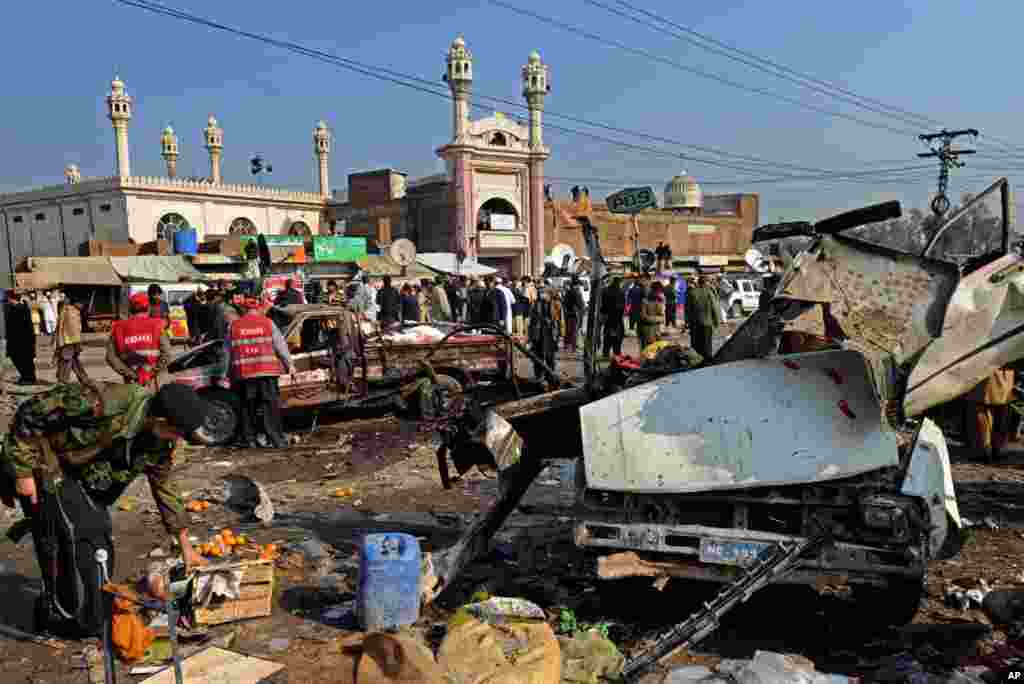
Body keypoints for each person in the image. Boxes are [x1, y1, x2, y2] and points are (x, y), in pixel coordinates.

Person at [0, 382, 214, 637]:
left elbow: (164, 486)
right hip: (47, 463)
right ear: (159, 419)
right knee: (67, 541)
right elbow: (30, 413)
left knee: (97, 548)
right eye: (176, 433)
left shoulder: (159, 440)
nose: (177, 440)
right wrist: (22, 471)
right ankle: (58, 615)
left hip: (84, 479)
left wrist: (185, 545)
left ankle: (85, 612)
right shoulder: (104, 401)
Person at [228, 297, 295, 449]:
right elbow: (280, 346)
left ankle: (250, 440)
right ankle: (276, 440)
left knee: (247, 408)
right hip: (267, 373)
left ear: (243, 310)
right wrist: (289, 364)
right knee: (270, 407)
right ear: (258, 309)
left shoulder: (234, 326)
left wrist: (226, 373)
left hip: (244, 374)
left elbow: (228, 351)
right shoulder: (267, 323)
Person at [108, 293, 170, 387]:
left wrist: (130, 374)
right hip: (153, 380)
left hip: (131, 382)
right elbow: (166, 353)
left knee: (136, 401)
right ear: (148, 307)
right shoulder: (157, 325)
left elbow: (110, 357)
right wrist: (154, 371)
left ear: (130, 308)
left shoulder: (118, 327)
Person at [965, 367, 1016, 462]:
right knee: (998, 410)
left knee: (981, 410)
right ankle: (995, 449)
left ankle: (985, 450)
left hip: (986, 372)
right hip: (1001, 374)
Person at [54, 295, 93, 387]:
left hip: (71, 341)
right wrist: (76, 343)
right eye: (82, 304)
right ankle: (62, 381)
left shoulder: (72, 310)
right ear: (76, 303)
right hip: (68, 341)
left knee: (74, 361)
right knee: (66, 361)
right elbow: (67, 328)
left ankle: (84, 379)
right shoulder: (69, 311)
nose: (83, 305)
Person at [528, 284, 561, 385]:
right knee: (538, 356)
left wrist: (559, 334)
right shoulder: (535, 304)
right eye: (540, 292)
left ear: (549, 294)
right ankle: (539, 376)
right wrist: (530, 336)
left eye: (543, 292)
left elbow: (560, 320)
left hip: (550, 334)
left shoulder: (556, 304)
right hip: (538, 334)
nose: (541, 294)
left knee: (550, 357)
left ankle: (550, 376)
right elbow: (532, 321)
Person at [685, 276, 722, 361]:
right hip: (707, 323)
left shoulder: (692, 292)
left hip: (694, 324)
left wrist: (687, 322)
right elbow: (714, 307)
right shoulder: (709, 292)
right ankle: (706, 363)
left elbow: (687, 309)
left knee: (695, 345)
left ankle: (695, 361)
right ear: (706, 282)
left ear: (699, 282)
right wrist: (717, 322)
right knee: (706, 346)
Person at [6, 290, 38, 384]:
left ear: (12, 298)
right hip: (17, 339)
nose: (7, 300)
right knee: (18, 358)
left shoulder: (21, 308)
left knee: (24, 359)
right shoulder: (15, 308)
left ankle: (28, 378)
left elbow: (26, 326)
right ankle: (26, 377)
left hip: (22, 339)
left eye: (8, 298)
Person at [601, 277, 627, 357]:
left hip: (608, 318)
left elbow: (603, 307)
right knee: (618, 339)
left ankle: (605, 354)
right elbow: (622, 307)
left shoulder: (605, 291)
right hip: (618, 319)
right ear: (619, 283)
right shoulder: (621, 292)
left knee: (607, 338)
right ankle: (617, 354)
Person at [638, 281, 666, 351]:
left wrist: (654, 319)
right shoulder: (645, 301)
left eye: (660, 292)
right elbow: (644, 317)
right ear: (653, 290)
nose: (659, 293)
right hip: (646, 332)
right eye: (658, 291)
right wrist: (657, 319)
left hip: (656, 332)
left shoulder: (660, 300)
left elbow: (662, 318)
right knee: (647, 352)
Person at [563, 279, 584, 351]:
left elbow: (564, 303)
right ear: (576, 285)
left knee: (568, 330)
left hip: (567, 314)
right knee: (574, 331)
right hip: (575, 314)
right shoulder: (577, 293)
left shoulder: (567, 292)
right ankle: (573, 347)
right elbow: (580, 305)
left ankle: (566, 345)